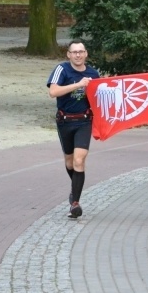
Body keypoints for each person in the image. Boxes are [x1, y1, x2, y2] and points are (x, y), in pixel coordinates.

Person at [47, 39, 100, 218]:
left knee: (79, 160)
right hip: (65, 121)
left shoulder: (93, 74)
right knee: (70, 162)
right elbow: (53, 92)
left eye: (81, 52)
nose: (78, 55)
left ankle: (75, 203)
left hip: (84, 121)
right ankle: (74, 190)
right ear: (68, 54)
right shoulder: (62, 70)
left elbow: (100, 98)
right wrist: (79, 85)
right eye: (74, 52)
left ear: (86, 54)